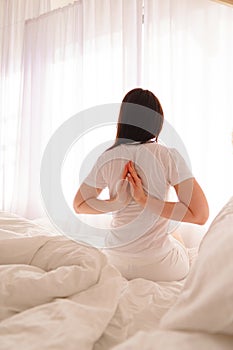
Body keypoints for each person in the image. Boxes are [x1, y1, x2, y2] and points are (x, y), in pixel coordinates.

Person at [73, 88, 209, 282]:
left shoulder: (108, 157)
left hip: (115, 263)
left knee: (169, 232)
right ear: (157, 121)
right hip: (160, 268)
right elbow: (200, 214)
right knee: (173, 232)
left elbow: (79, 205)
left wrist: (117, 202)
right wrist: (144, 200)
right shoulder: (167, 156)